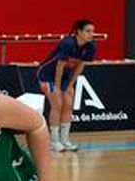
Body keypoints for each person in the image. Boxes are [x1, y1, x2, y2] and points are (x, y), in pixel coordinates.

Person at [37, 19, 96, 152]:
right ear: (79, 32)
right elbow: (60, 65)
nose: (91, 34)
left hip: (65, 76)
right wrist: (57, 87)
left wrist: (70, 84)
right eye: (88, 31)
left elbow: (80, 65)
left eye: (92, 31)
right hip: (47, 75)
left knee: (68, 104)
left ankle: (65, 140)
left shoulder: (90, 46)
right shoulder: (68, 43)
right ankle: (54, 141)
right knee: (57, 104)